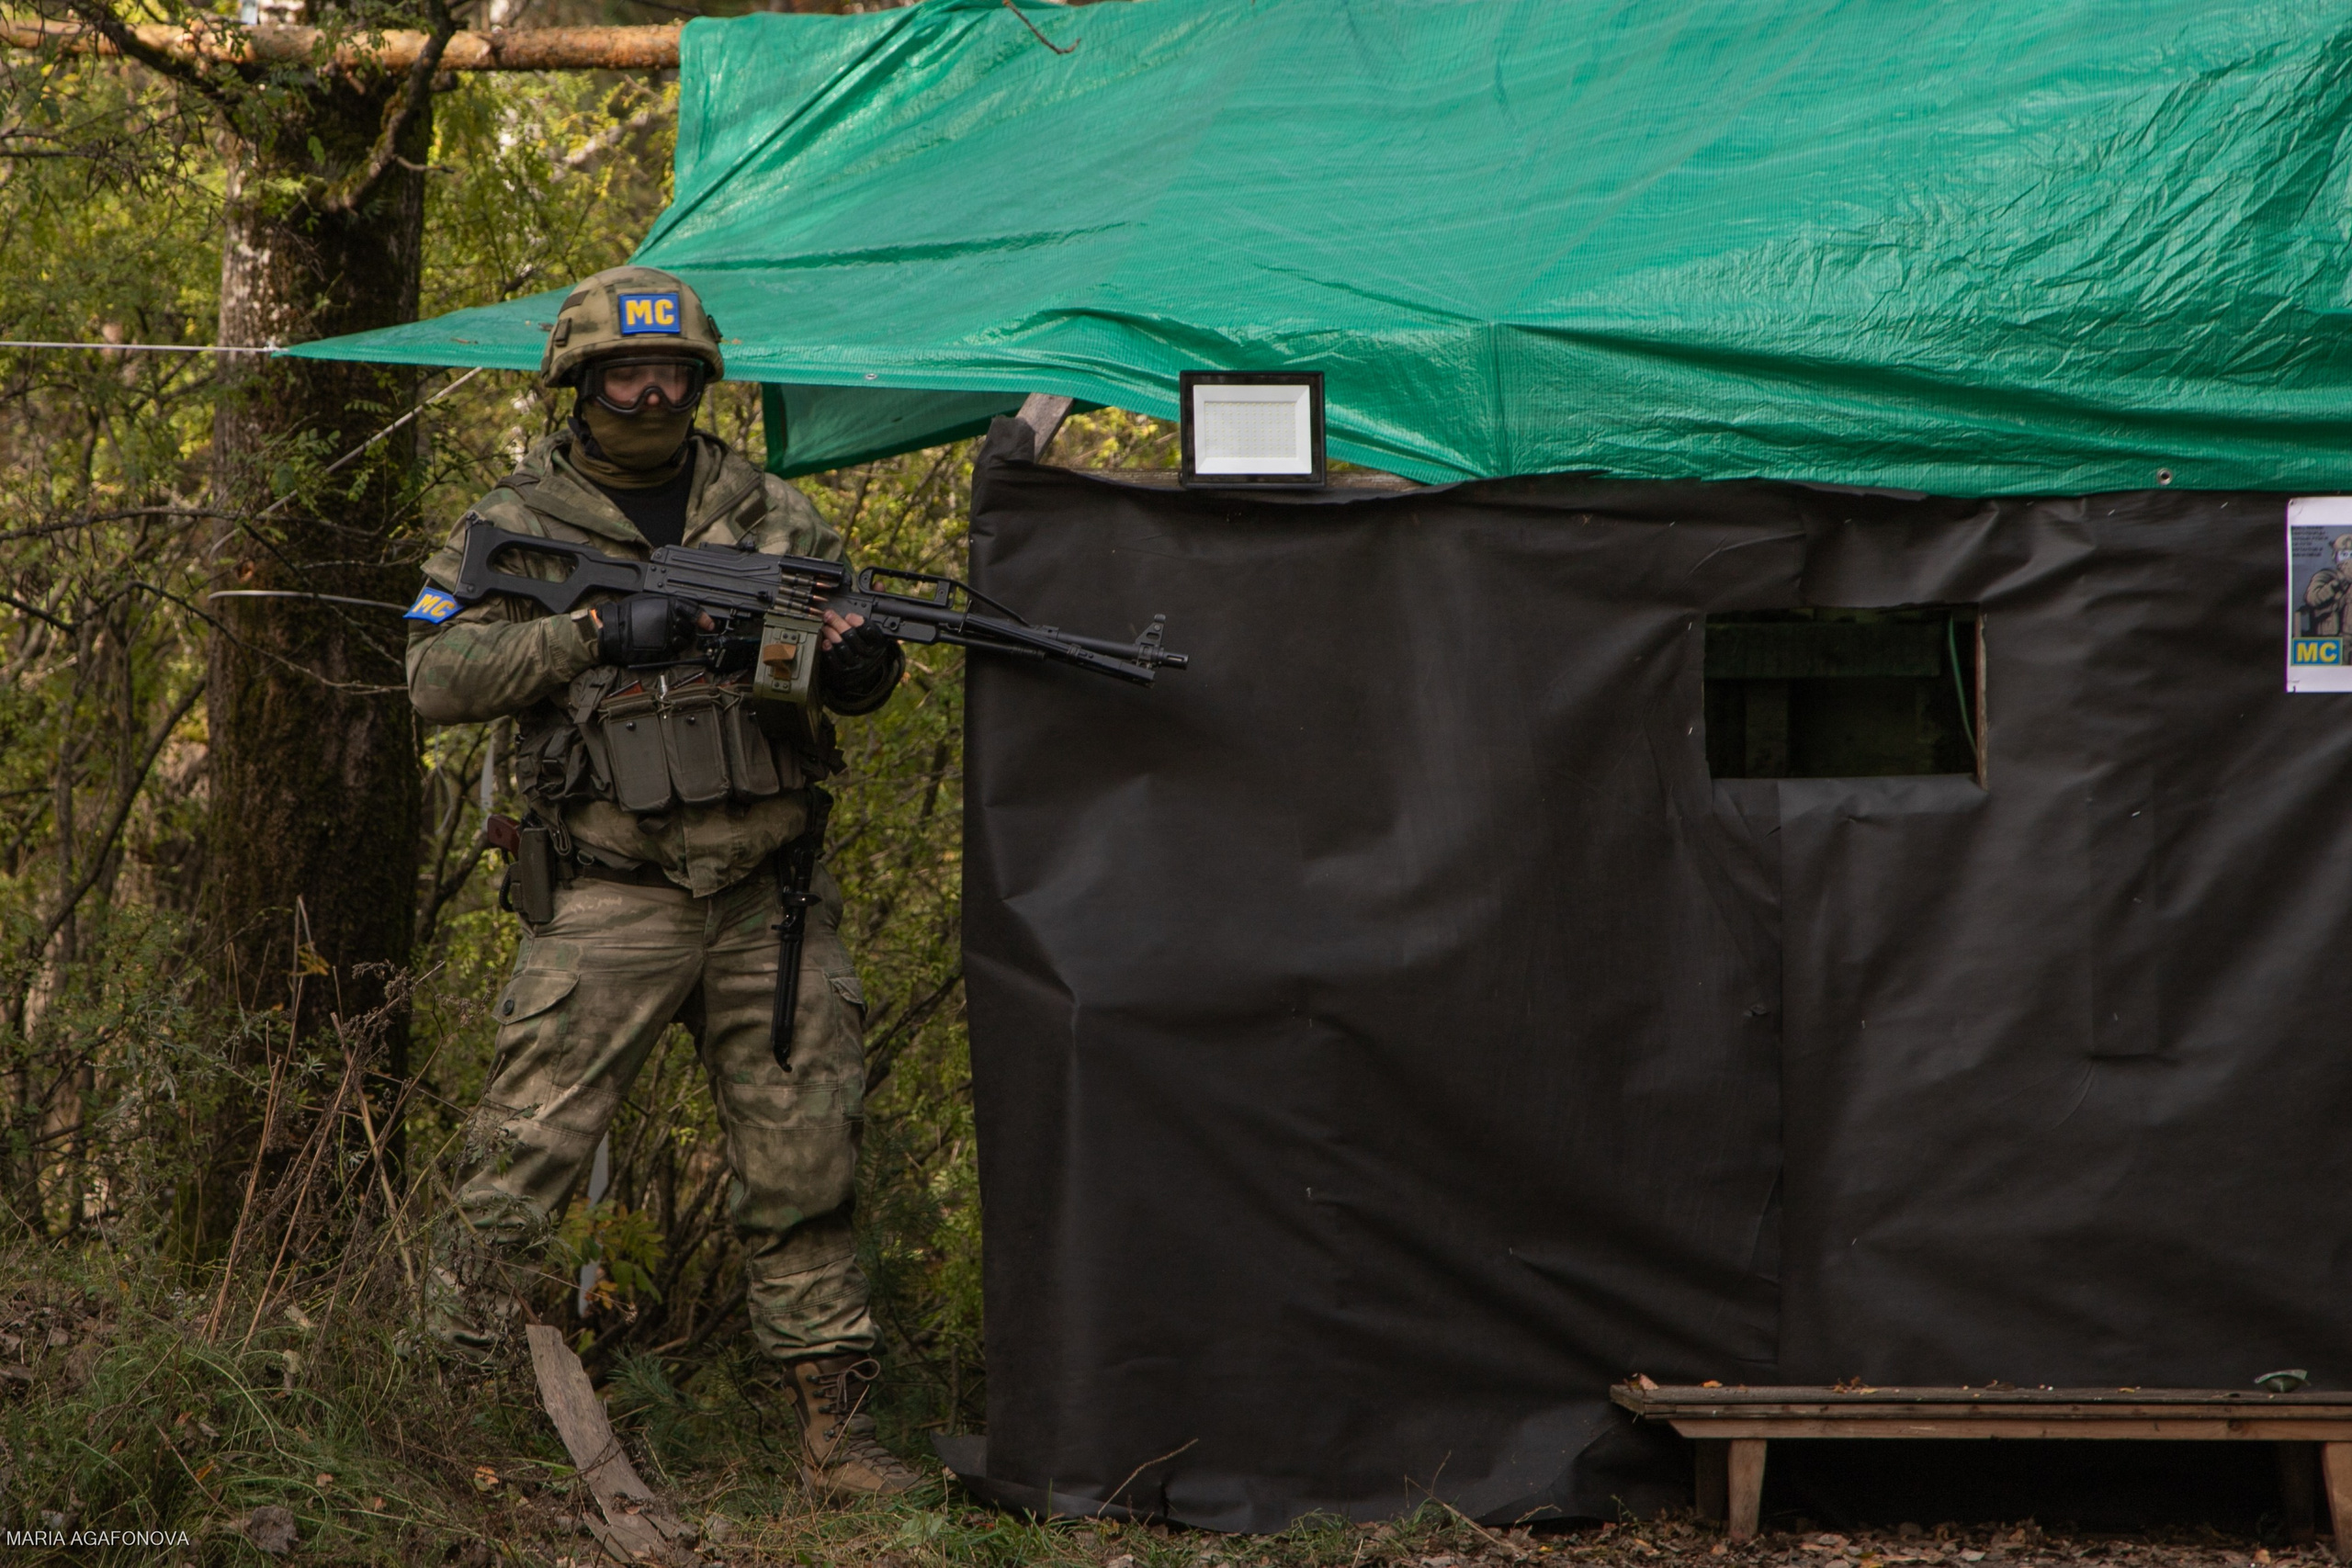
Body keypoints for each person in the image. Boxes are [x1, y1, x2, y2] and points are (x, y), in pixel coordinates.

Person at [402, 265, 918, 1496]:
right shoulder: (514, 521)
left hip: (767, 895)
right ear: (578, 381)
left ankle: (835, 1437)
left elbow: (846, 669)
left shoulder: (772, 514)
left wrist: (858, 668)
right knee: (519, 1166)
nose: (653, 389)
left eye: (674, 371)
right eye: (629, 372)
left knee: (808, 1165)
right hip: (605, 894)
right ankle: (445, 1416)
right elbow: (430, 678)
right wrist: (586, 635)